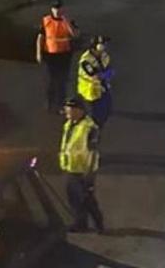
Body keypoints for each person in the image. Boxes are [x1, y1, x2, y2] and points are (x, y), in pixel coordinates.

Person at [59, 98, 104, 233]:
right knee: (74, 199)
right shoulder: (69, 124)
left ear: (79, 111)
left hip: (83, 171)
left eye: (70, 109)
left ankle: (99, 224)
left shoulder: (90, 129)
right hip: (71, 168)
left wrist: (89, 175)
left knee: (87, 199)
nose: (67, 112)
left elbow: (93, 153)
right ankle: (80, 224)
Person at [36, 0, 77, 113]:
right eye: (55, 8)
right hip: (51, 54)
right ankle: (49, 101)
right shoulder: (46, 21)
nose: (57, 11)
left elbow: (75, 34)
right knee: (51, 80)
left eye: (59, 8)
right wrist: (38, 53)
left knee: (62, 80)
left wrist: (67, 23)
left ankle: (60, 104)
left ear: (62, 9)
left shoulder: (67, 21)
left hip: (64, 54)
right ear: (51, 9)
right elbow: (40, 38)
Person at [76, 36, 113, 128]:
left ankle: (99, 123)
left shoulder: (104, 55)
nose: (106, 46)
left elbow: (107, 68)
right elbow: (95, 76)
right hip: (90, 91)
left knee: (107, 108)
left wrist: (108, 74)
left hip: (102, 87)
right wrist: (107, 74)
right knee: (94, 113)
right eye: (104, 44)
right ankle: (92, 130)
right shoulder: (85, 61)